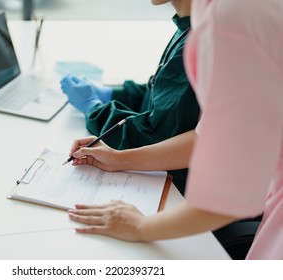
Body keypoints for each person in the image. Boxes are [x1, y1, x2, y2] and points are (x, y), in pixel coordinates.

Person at [67, 0, 283, 259]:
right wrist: (119, 159)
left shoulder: (229, 20)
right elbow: (207, 137)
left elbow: (232, 195)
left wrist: (139, 226)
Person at [60, 0, 200, 194]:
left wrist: (94, 109)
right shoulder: (189, 25)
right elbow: (161, 92)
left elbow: (157, 136)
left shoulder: (198, 41)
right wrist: (113, 94)